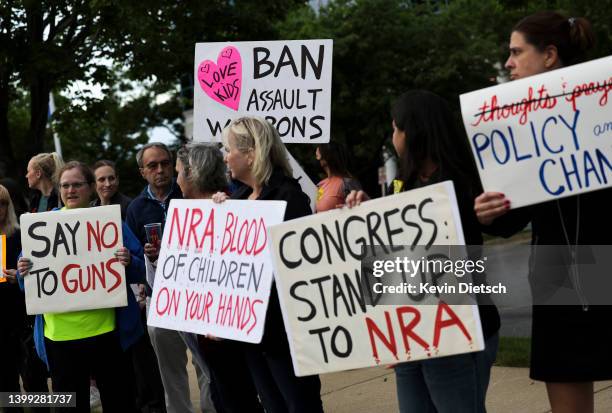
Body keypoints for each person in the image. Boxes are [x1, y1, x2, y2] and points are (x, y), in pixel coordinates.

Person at [473, 11, 607, 413]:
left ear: (549, 55)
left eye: (516, 52)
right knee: (567, 387)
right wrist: (489, 212)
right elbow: (511, 218)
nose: (508, 63)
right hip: (557, 272)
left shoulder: (604, 104)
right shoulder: (514, 129)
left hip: (602, 257)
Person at [347, 90, 500, 412]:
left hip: (457, 329)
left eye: (395, 128)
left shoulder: (462, 182)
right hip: (413, 335)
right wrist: (368, 211)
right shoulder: (408, 183)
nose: (392, 136)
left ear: (411, 131)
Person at [213, 116, 323, 413]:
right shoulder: (237, 199)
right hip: (251, 331)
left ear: (251, 153)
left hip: (284, 332)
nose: (225, 156)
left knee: (299, 403)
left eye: (229, 149)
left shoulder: (288, 197)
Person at [17, 161, 145, 413]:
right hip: (60, 339)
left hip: (108, 336)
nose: (71, 190)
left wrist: (129, 262)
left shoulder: (111, 223)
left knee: (120, 402)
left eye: (77, 184)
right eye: (65, 185)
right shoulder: (43, 226)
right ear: (59, 189)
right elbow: (27, 284)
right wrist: (23, 272)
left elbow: (141, 270)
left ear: (89, 188)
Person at [127, 142, 209, 413]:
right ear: (142, 172)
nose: (160, 170)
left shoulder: (190, 194)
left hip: (198, 295)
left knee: (206, 363)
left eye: (164, 163)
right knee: (169, 368)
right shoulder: (136, 209)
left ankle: (212, 408)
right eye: (152, 165)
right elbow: (133, 258)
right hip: (159, 299)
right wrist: (148, 258)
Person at [314, 142, 361, 212]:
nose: (317, 159)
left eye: (318, 156)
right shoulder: (320, 185)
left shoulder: (347, 183)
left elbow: (361, 209)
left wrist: (347, 210)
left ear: (328, 157)